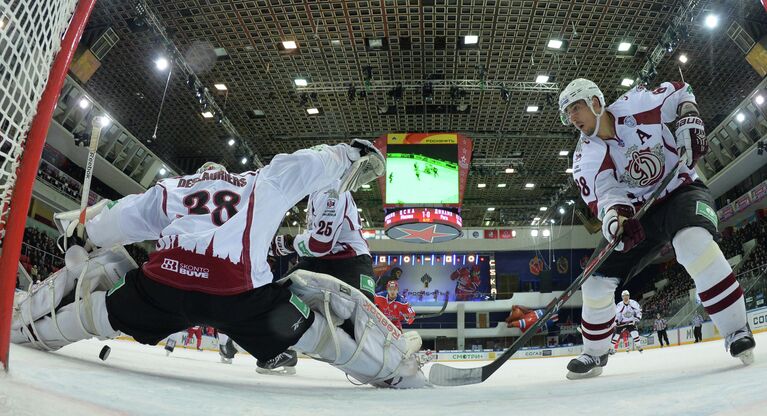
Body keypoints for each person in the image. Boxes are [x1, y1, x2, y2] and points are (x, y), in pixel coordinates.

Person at [11, 140, 427, 388]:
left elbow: (121, 221)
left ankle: (18, 325)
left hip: (164, 286)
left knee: (99, 296)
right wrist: (348, 154)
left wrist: (85, 235)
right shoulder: (260, 180)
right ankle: (396, 368)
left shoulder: (173, 188)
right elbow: (309, 163)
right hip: (238, 295)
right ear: (229, 173)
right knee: (316, 314)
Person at [558, 78, 755, 380]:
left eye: (576, 107)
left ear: (596, 101)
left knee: (693, 244)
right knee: (595, 281)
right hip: (640, 214)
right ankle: (594, 354)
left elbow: (680, 91)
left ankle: (736, 330)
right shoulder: (585, 158)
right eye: (568, 112)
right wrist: (616, 221)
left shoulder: (637, 103)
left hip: (681, 191)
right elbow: (606, 197)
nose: (572, 117)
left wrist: (689, 115)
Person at [259, 181, 376, 374]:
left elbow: (321, 244)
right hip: (317, 260)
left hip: (350, 259)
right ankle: (283, 351)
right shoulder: (315, 192)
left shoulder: (332, 190)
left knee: (364, 321)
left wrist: (287, 244)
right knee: (277, 297)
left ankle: (392, 360)